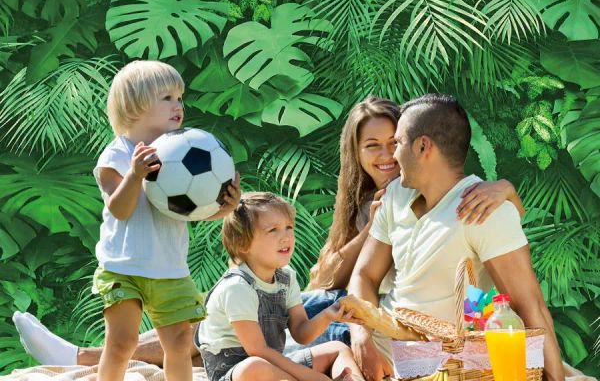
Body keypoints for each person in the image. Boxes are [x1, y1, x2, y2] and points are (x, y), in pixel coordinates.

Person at [12, 96, 523, 367]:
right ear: (357, 154)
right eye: (372, 146)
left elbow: (490, 215)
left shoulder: (431, 193)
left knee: (230, 323)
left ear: (418, 144)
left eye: (395, 142)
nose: (386, 154)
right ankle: (87, 355)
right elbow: (325, 272)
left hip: (378, 321)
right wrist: (364, 231)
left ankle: (82, 356)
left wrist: (504, 187)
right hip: (333, 304)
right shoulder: (370, 203)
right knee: (230, 313)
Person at [346, 93, 564, 381]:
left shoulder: (484, 209)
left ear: (423, 146)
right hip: (371, 344)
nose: (393, 155)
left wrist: (557, 378)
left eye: (397, 143)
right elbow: (363, 275)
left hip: (438, 366)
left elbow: (529, 304)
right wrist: (362, 340)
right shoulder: (396, 195)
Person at [76, 60, 241, 381]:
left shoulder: (183, 150)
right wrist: (136, 174)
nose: (178, 105)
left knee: (179, 342)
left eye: (179, 97)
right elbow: (120, 210)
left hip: (169, 269)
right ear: (133, 105)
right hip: (123, 268)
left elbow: (195, 210)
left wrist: (227, 207)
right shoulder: (118, 155)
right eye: (166, 97)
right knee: (123, 341)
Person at [198, 191, 363, 381]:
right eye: (273, 230)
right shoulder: (237, 287)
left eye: (288, 227)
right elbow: (258, 351)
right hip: (238, 373)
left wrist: (329, 314)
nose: (286, 236)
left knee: (338, 349)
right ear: (243, 243)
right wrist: (313, 378)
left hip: (274, 366)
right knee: (255, 367)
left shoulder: (286, 278)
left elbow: (301, 333)